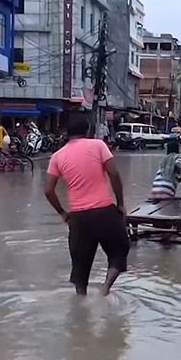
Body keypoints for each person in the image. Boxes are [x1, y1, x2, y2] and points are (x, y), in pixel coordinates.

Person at [44, 117, 129, 296]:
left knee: (80, 267)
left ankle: (81, 301)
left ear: (67, 135)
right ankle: (105, 288)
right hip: (104, 212)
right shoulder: (98, 145)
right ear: (88, 131)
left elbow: (48, 191)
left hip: (78, 217)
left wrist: (63, 213)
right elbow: (114, 173)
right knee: (119, 249)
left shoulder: (57, 156)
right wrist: (120, 203)